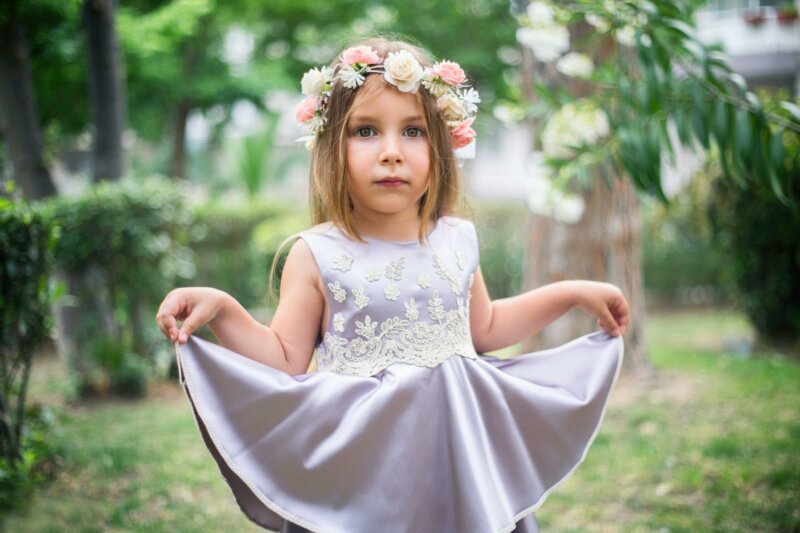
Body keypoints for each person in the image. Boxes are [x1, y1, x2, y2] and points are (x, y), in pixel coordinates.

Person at [156, 36, 629, 533]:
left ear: (441, 144)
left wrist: (571, 293)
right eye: (365, 131)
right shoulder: (317, 254)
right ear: (331, 144)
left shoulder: (456, 240)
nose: (391, 153)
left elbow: (485, 327)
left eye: (413, 132)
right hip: (366, 477)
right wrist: (225, 309)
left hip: (457, 463)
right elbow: (284, 358)